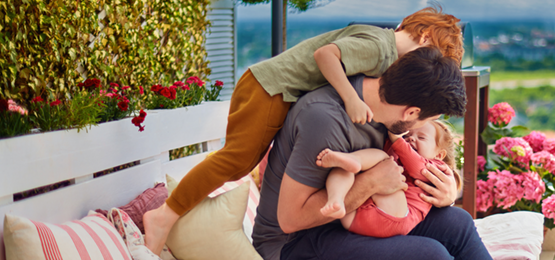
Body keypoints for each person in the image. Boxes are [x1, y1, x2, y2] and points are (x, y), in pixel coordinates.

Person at [143, 6, 464, 255]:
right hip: (270, 87)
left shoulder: (388, 90)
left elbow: (416, 149)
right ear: (423, 38)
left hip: (282, 95)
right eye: (431, 56)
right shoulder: (381, 48)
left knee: (458, 224)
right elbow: (326, 56)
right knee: (238, 161)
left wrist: (452, 189)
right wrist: (351, 99)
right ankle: (165, 216)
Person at [254, 46, 491, 260]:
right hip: (295, 243)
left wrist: (448, 191)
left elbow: (420, 165)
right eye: (427, 120)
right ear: (411, 113)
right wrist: (370, 183)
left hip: (357, 215)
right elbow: (290, 220)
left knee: (458, 223)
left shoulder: (386, 105)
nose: (420, 130)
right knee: (430, 255)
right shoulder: (325, 121)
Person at [315, 120, 461, 238]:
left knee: (384, 160)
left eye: (421, 137)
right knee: (346, 169)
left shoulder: (436, 167)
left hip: (397, 216)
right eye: (407, 135)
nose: (410, 138)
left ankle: (355, 160)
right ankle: (336, 199)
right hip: (352, 219)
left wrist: (397, 139)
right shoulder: (399, 156)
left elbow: (417, 167)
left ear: (439, 155)